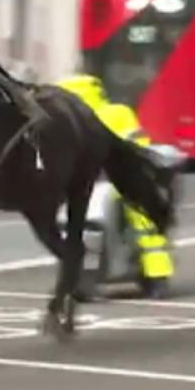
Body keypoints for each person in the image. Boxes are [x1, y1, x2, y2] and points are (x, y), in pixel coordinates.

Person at [56, 73, 175, 297]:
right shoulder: (68, 120)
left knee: (142, 219)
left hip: (120, 178)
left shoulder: (116, 114)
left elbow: (138, 146)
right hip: (89, 181)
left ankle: (157, 276)